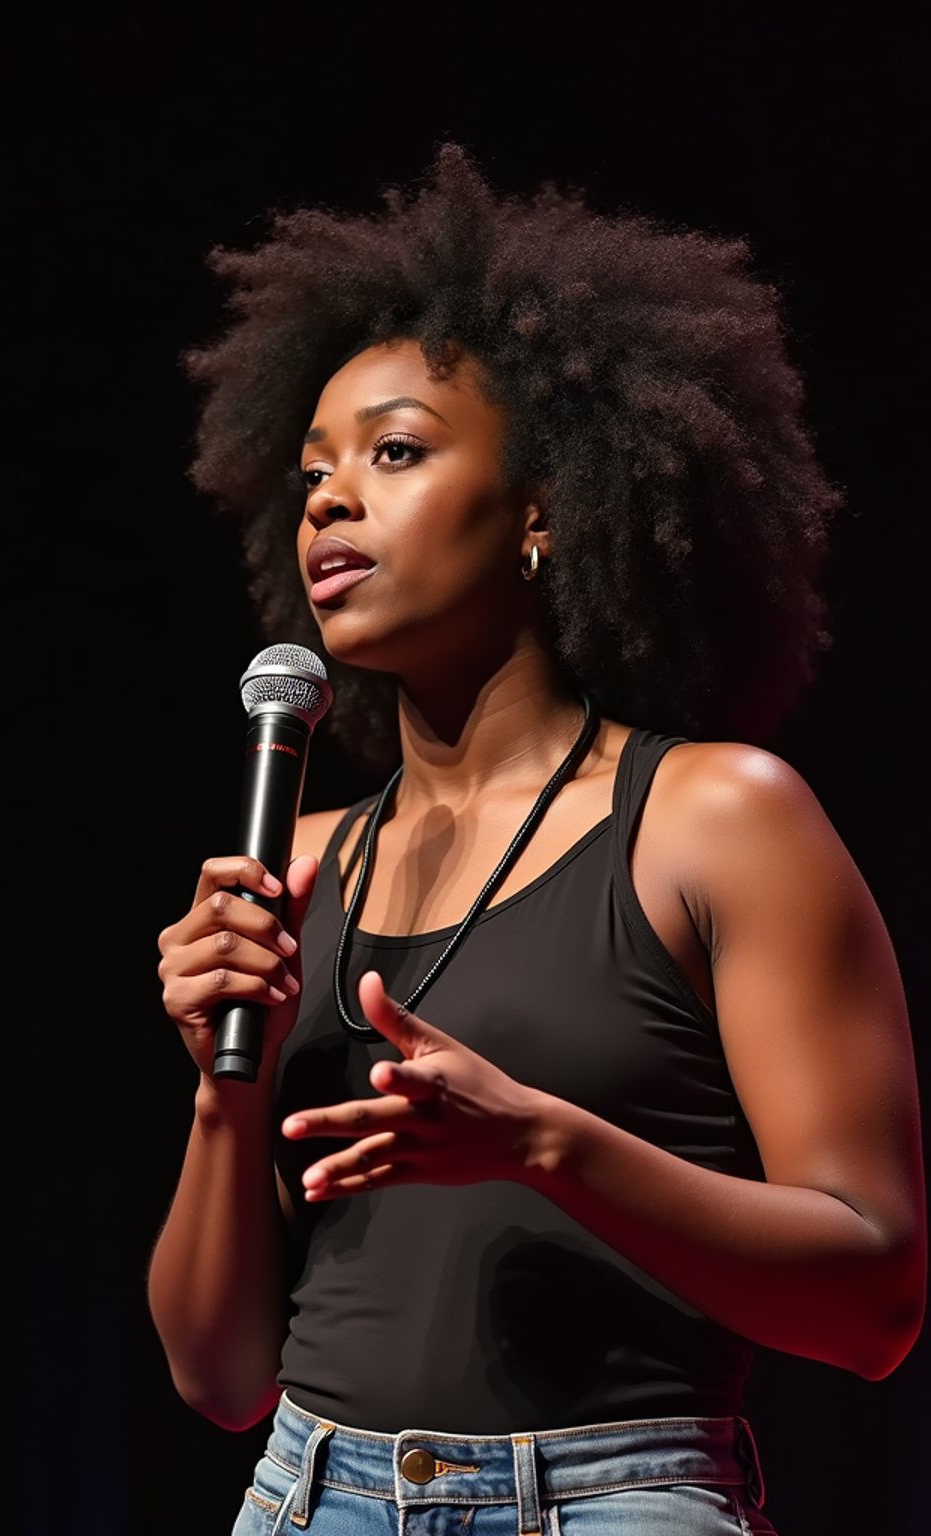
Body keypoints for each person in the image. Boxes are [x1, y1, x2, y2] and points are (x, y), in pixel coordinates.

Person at [148, 145, 926, 1536]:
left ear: (548, 508)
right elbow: (217, 1375)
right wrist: (224, 1087)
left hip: (608, 1503)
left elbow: (874, 1301)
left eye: (394, 451)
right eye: (314, 469)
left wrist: (548, 1148)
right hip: (306, 1496)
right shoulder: (308, 856)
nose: (328, 498)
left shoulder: (713, 818)